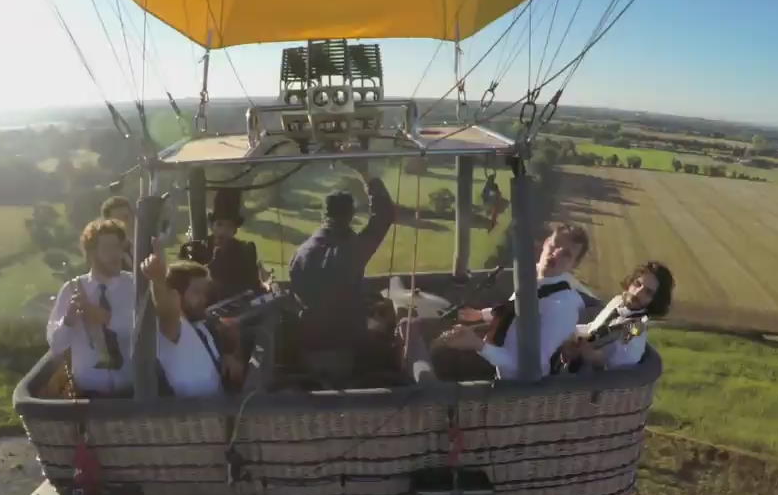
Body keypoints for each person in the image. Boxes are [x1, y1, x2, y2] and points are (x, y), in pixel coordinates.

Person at [412, 223, 589, 381]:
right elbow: (516, 308)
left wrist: (478, 345)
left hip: (519, 389)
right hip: (498, 363)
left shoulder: (562, 307)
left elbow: (527, 367)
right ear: (545, 244)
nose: (556, 253)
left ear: (573, 265)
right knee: (434, 342)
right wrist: (482, 315)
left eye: (566, 254)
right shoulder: (535, 276)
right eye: (555, 244)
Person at [287, 160, 395, 386]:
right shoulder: (352, 249)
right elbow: (384, 214)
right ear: (350, 216)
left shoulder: (300, 253)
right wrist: (366, 174)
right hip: (344, 346)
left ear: (323, 216)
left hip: (306, 346)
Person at [141, 236, 246, 397]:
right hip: (193, 417)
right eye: (197, 292)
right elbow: (167, 309)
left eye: (204, 293)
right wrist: (158, 279)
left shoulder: (201, 328)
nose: (204, 299)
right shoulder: (173, 330)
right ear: (177, 295)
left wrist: (227, 358)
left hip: (221, 411)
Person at [45, 218, 136, 396]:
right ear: (91, 253)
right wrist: (68, 321)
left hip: (131, 392)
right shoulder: (71, 289)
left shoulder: (134, 285)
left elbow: (146, 331)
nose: (116, 255)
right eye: (108, 248)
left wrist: (106, 318)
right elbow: (56, 345)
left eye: (118, 247)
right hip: (88, 395)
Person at [561, 261, 674, 372]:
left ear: (655, 301)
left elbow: (618, 370)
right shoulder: (617, 301)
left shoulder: (636, 328)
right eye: (637, 284)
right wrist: (567, 334)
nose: (638, 293)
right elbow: (592, 329)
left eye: (648, 292)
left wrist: (592, 356)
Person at [180, 187, 266, 303]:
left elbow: (253, 289)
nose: (223, 231)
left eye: (229, 226)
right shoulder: (193, 251)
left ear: (235, 230)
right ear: (212, 226)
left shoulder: (245, 252)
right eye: (219, 225)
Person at [101, 195, 136, 272]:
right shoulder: (104, 254)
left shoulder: (146, 245)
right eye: (117, 220)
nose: (123, 223)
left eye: (126, 217)